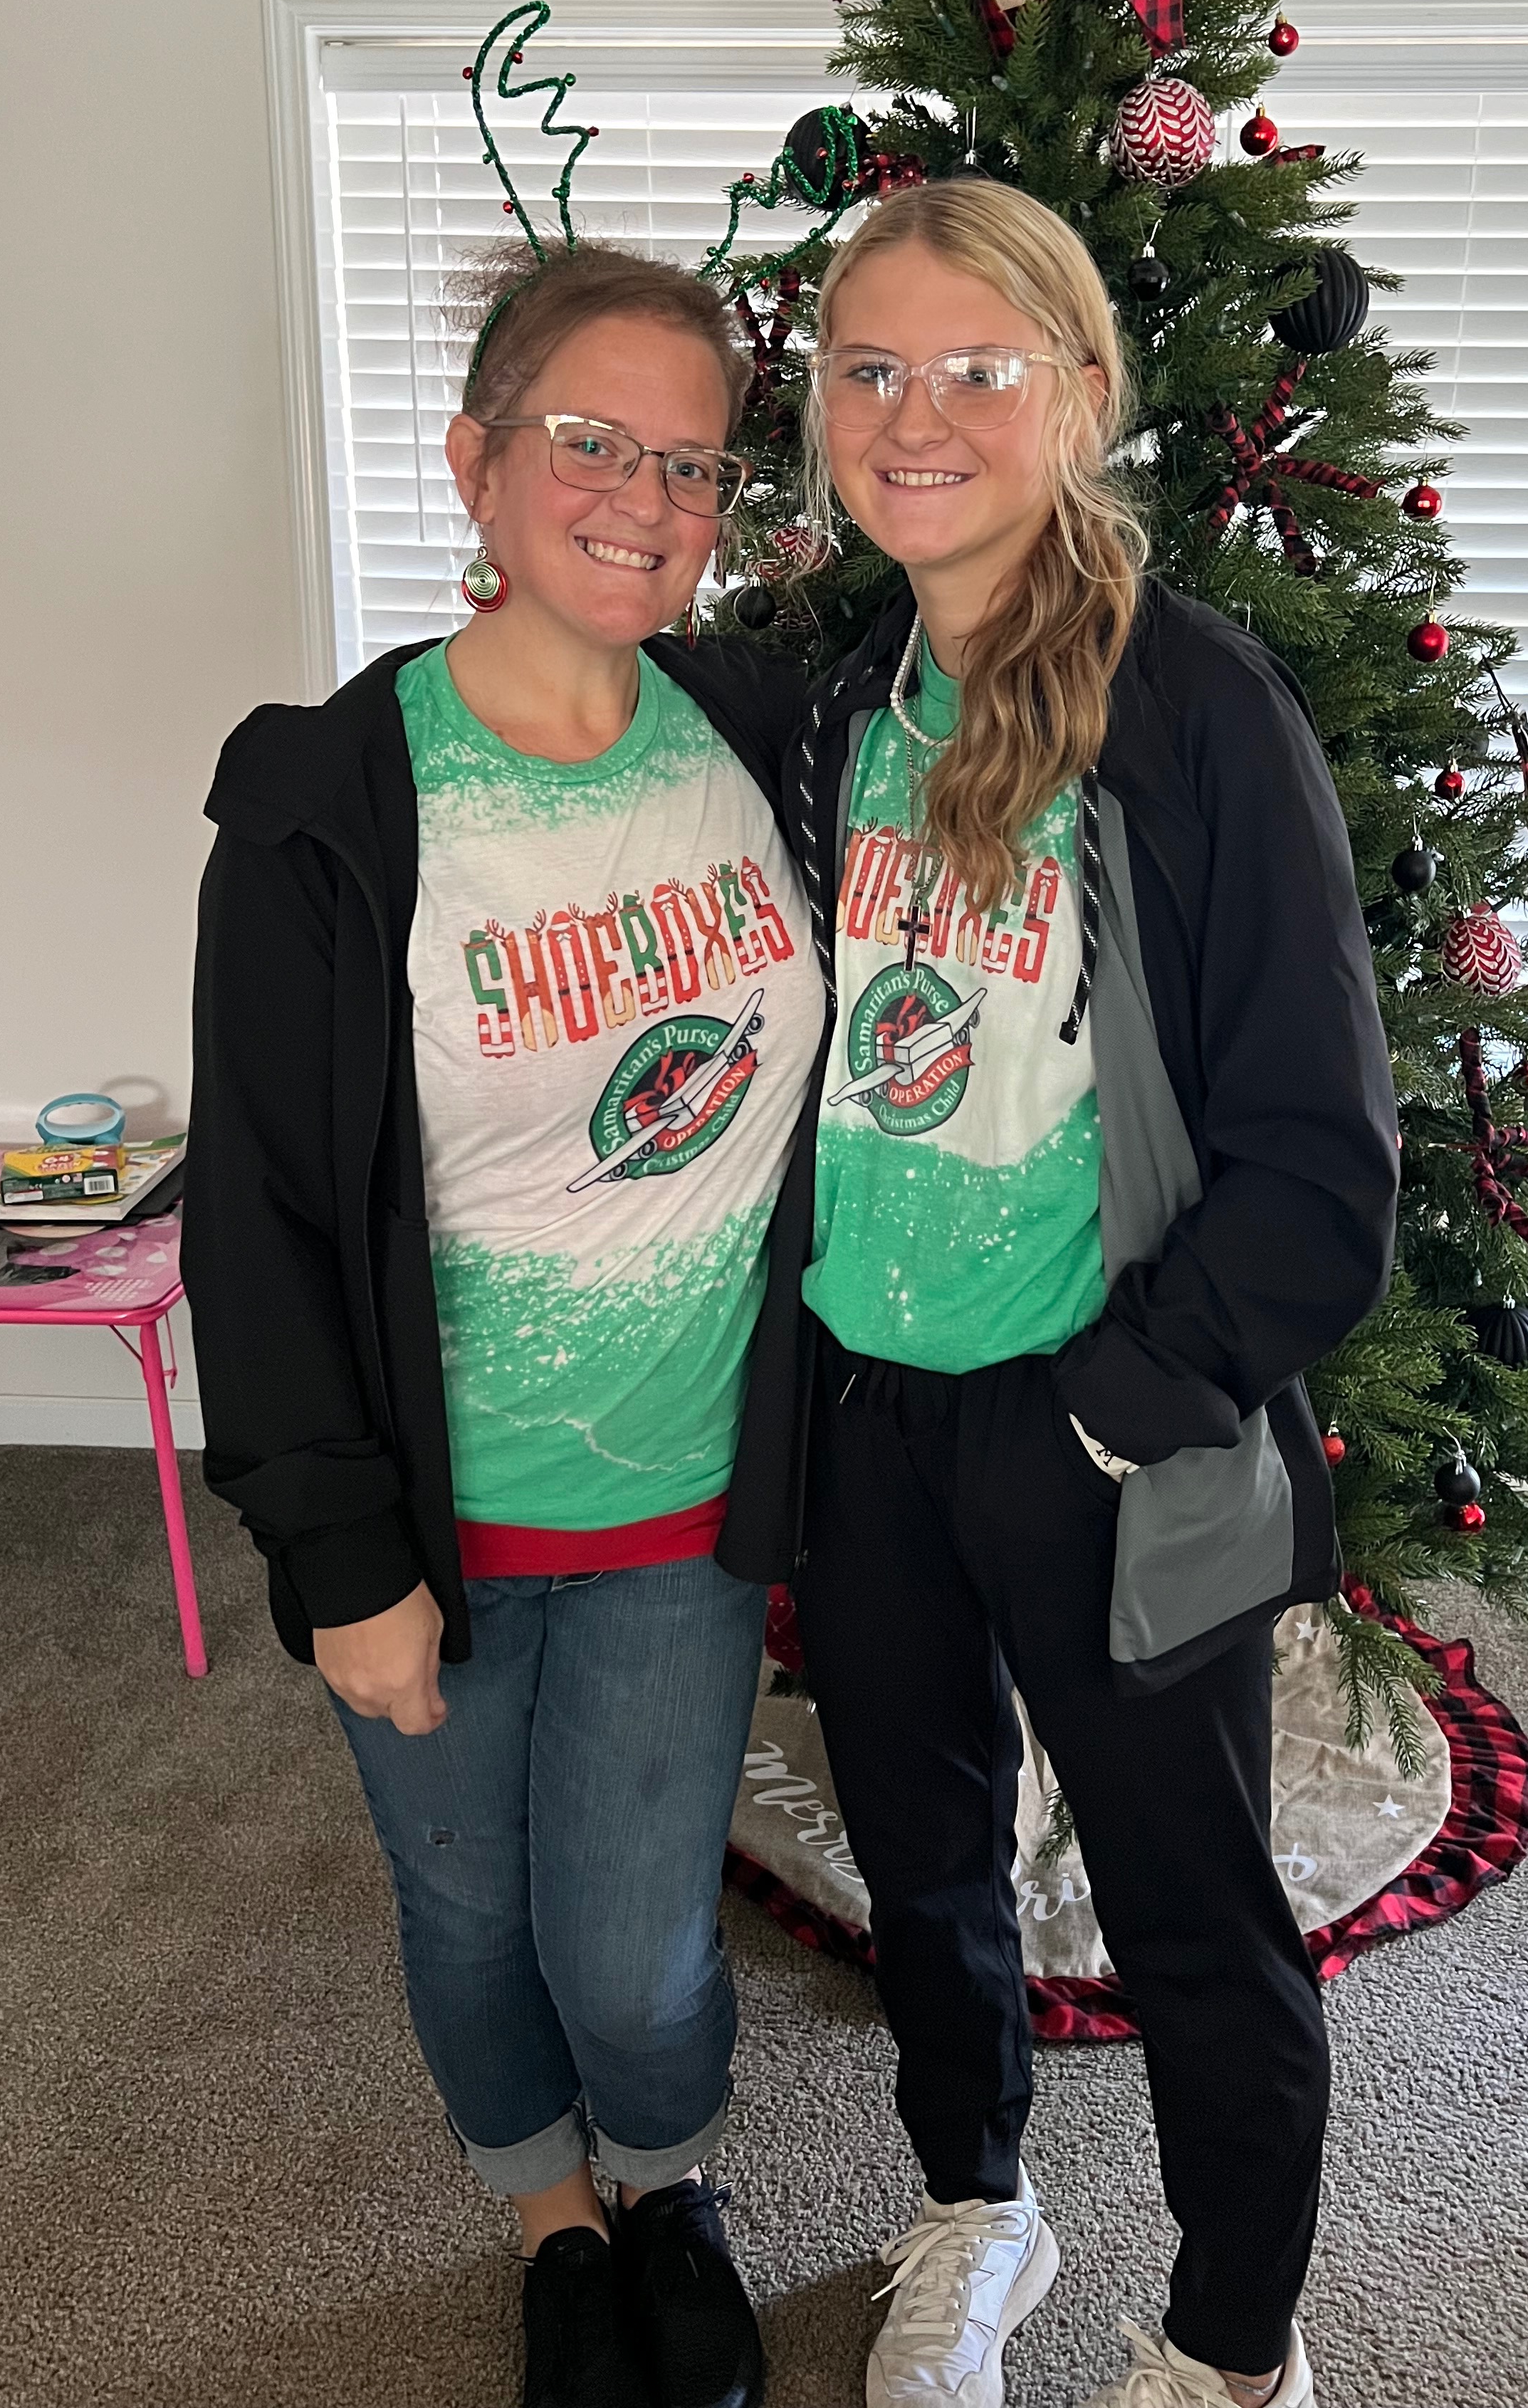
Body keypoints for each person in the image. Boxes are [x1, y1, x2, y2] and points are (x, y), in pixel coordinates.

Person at [763, 182, 1399, 2408]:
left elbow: (1322, 1173)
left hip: (1107, 1422)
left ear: (1084, 392)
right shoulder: (836, 695)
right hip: (874, 1412)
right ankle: (980, 2204)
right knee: (922, 1863)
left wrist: (1116, 1405)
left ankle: (1234, 2352)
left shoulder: (1197, 710)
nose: (912, 415)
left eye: (975, 367)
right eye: (869, 368)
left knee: (1191, 1903)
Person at [185, 244, 826, 2408]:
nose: (646, 498)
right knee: (466, 1917)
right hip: (438, 1524)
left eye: (694, 463)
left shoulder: (764, 736)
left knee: (635, 1948)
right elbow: (261, 1217)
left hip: (685, 1508)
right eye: (590, 441)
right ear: (477, 461)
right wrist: (335, 1550)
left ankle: (664, 2183)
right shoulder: (331, 806)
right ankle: (553, 2221)